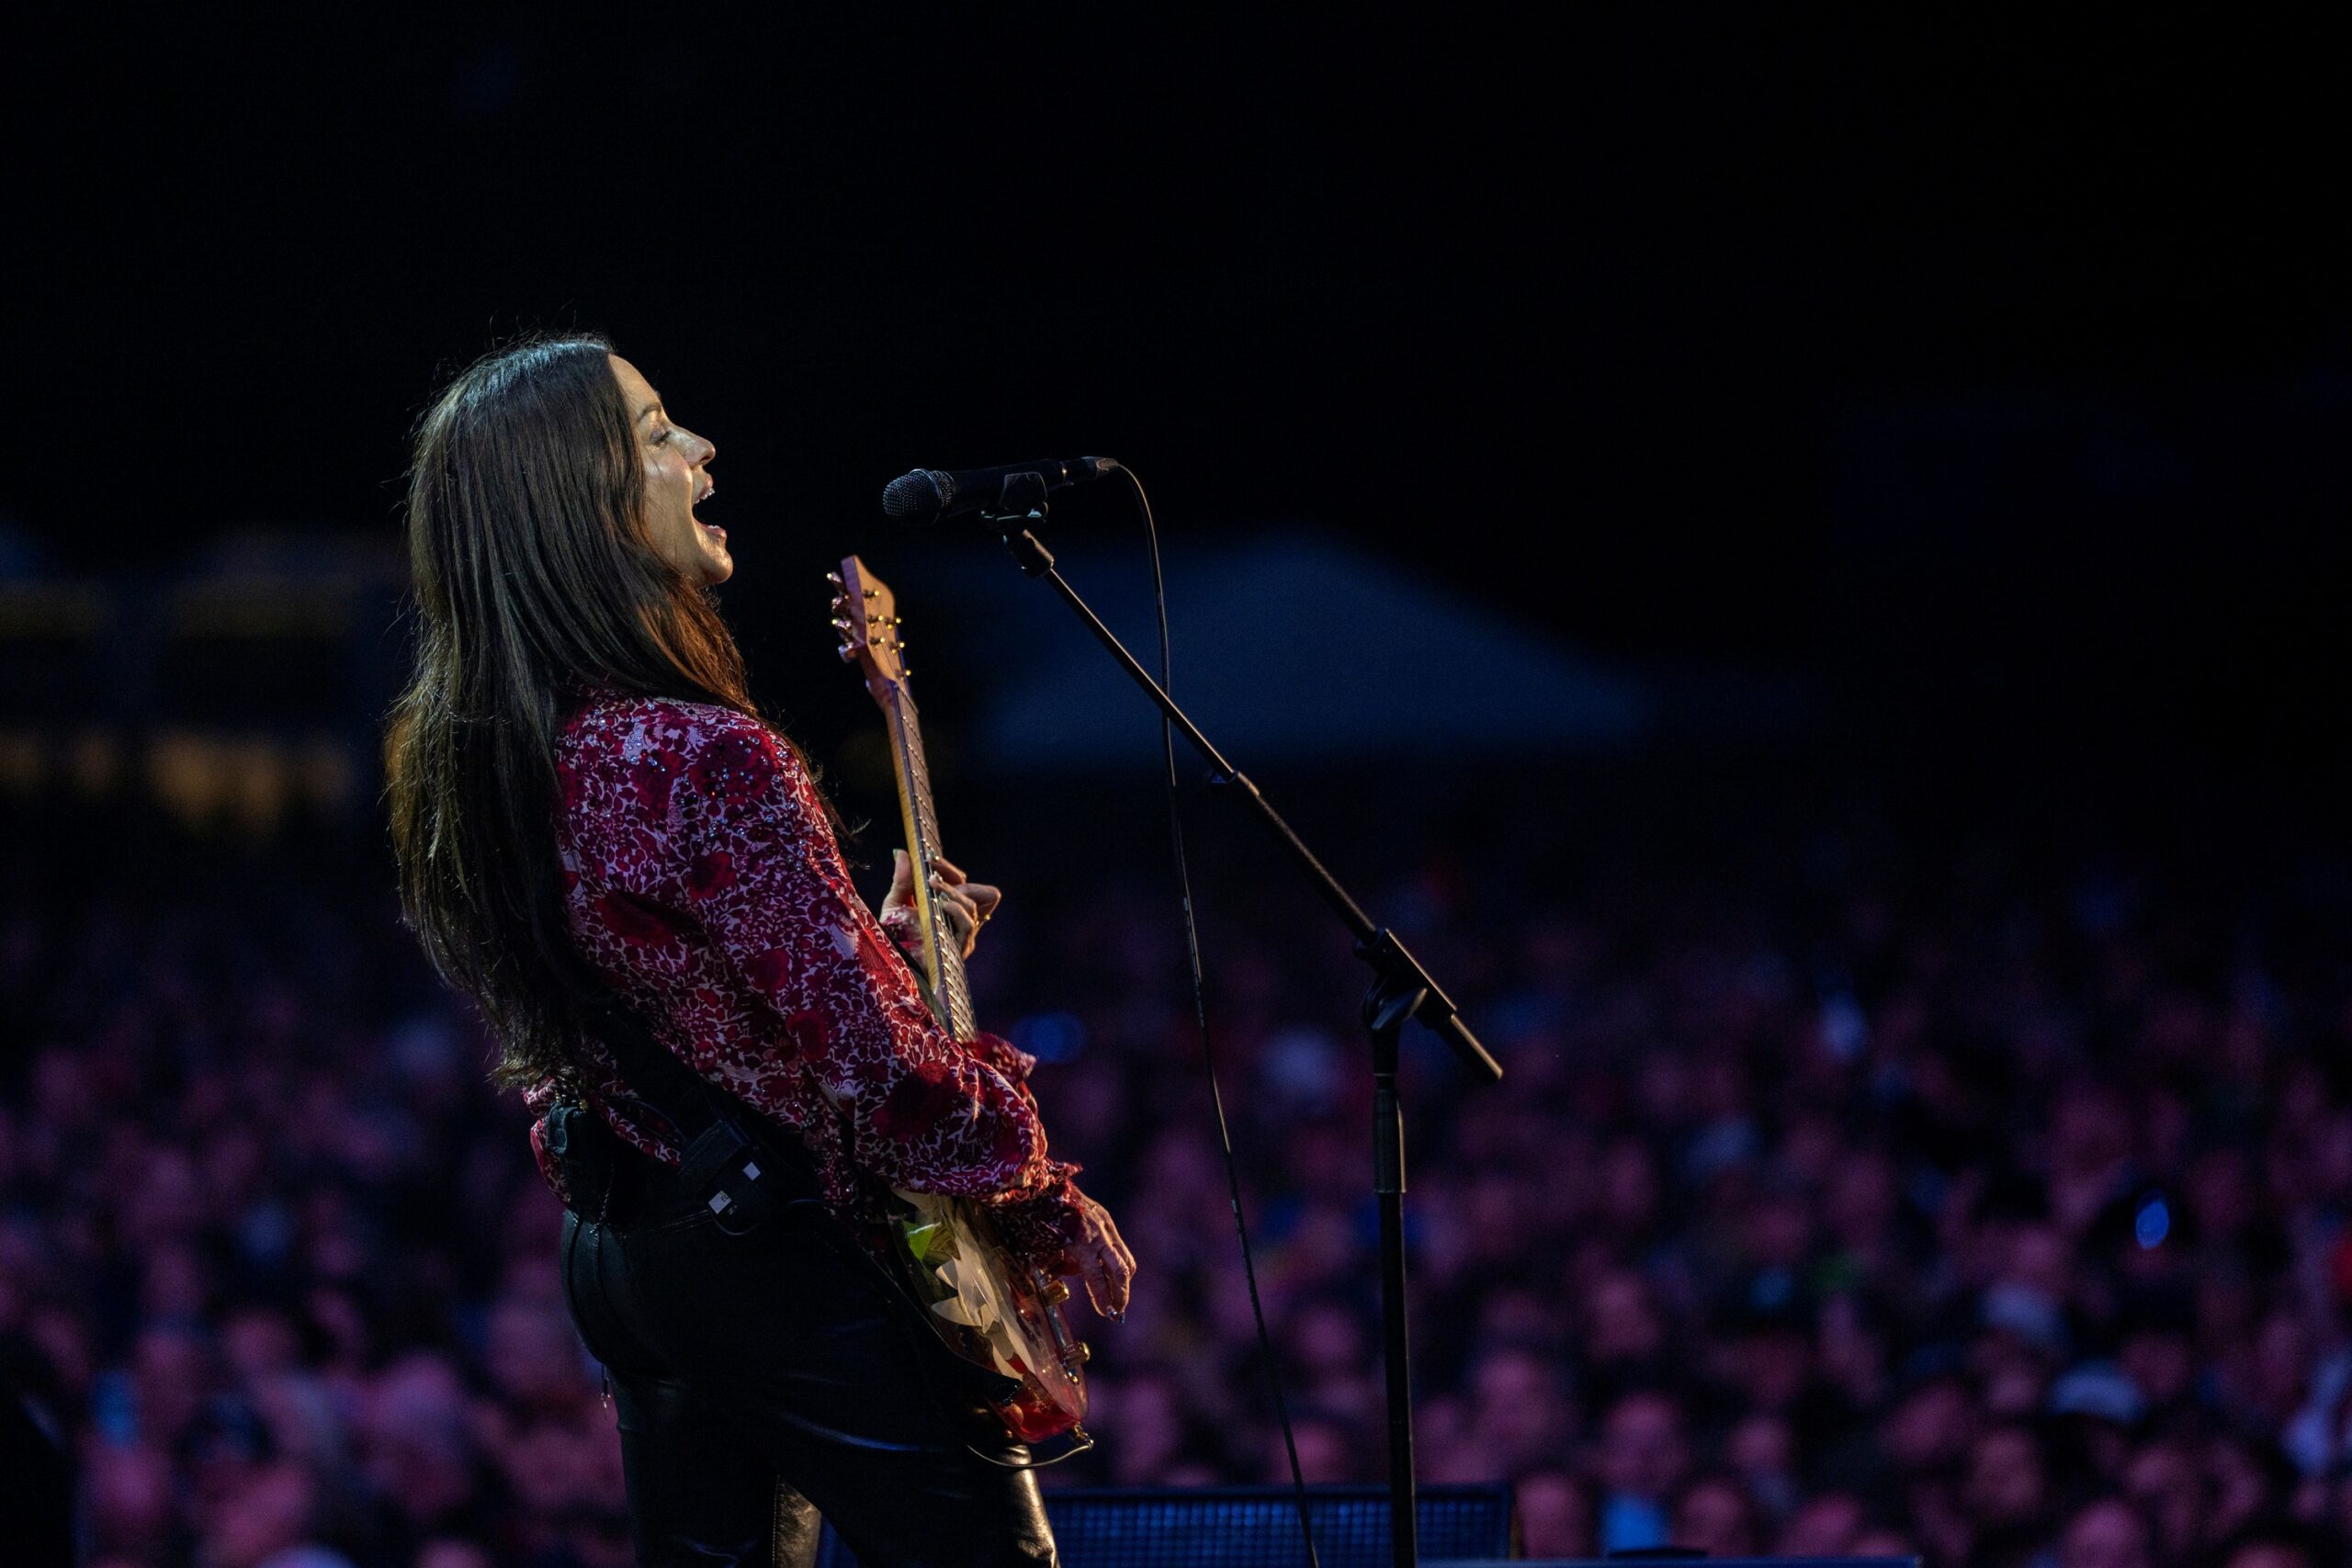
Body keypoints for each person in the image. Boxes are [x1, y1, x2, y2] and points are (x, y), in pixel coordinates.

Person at [385, 334, 1135, 1566]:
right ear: (582, 498)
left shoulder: (478, 765)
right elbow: (884, 1079)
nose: (701, 449)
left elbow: (682, 1007)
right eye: (657, 431)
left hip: (632, 1251)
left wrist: (885, 946)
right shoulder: (704, 756)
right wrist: (1041, 1192)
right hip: (778, 1256)